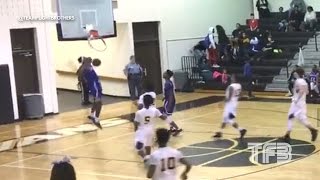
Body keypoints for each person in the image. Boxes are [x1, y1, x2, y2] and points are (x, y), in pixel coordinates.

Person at [282, 68, 318, 143]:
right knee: (302, 119)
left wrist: (297, 98)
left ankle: (287, 135)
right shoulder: (304, 81)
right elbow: (307, 92)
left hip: (297, 103)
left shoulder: (299, 81)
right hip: (302, 103)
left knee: (290, 116)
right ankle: (313, 130)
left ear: (297, 73)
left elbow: (302, 91)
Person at [134, 95, 166, 162]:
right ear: (152, 102)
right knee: (148, 145)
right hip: (151, 131)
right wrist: (164, 114)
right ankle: (148, 157)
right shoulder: (155, 110)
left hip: (141, 131)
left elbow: (136, 123)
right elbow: (163, 117)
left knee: (138, 148)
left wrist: (135, 129)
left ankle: (145, 157)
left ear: (143, 101)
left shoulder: (139, 112)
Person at [163, 70, 183, 136]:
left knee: (167, 117)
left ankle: (177, 128)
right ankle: (171, 128)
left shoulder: (167, 83)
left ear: (167, 76)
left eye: (165, 73)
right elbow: (168, 93)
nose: (163, 73)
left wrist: (170, 102)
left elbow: (170, 94)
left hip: (169, 101)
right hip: (169, 100)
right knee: (168, 115)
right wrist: (165, 97)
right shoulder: (169, 82)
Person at [84, 58, 103, 129]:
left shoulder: (88, 69)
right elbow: (94, 81)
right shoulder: (91, 70)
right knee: (99, 103)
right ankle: (96, 118)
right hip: (96, 88)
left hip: (93, 88)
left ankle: (92, 115)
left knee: (96, 102)